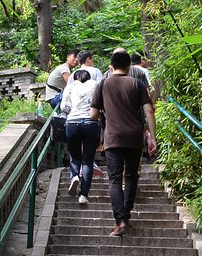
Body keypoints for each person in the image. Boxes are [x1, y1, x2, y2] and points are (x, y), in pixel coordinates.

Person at [90, 48, 157, 237]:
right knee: (132, 178)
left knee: (114, 179)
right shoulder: (137, 83)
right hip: (134, 138)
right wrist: (153, 138)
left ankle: (120, 221)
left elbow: (93, 115)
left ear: (111, 67)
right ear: (129, 66)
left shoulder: (102, 85)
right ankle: (125, 218)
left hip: (113, 138)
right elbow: (149, 111)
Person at [60, 68, 101, 204]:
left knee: (74, 156)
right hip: (91, 123)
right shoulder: (96, 85)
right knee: (88, 161)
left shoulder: (71, 87)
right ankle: (83, 195)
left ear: (75, 78)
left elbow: (64, 107)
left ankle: (75, 177)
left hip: (73, 123)